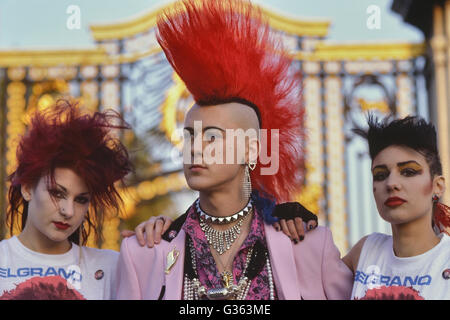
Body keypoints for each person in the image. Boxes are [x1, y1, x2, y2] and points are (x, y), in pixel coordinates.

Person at [115, 0, 352, 300]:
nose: (195, 149)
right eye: (189, 136)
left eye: (212, 137)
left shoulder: (307, 245)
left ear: (251, 151)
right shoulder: (145, 253)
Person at [1, 99, 133, 300]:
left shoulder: (111, 268)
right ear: (27, 187)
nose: (68, 211)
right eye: (57, 193)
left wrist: (160, 241)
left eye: (81, 199)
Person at [342, 115, 450, 300]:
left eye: (408, 171)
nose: (391, 183)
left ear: (437, 186)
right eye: (380, 175)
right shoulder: (365, 251)